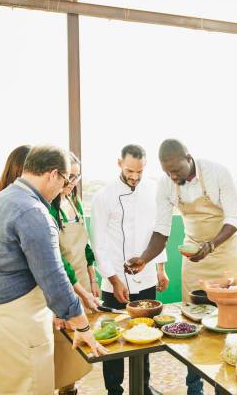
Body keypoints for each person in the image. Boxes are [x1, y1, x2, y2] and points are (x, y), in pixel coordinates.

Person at [0, 145, 105, 394]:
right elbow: (54, 277)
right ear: (53, 174)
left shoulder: (3, 199)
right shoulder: (33, 211)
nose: (63, 188)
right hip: (18, 327)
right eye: (64, 179)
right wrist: (83, 327)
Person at [125, 139, 237, 395]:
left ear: (188, 158)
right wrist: (145, 258)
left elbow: (235, 218)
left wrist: (210, 247)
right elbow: (161, 230)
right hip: (193, 258)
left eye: (176, 170)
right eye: (167, 171)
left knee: (228, 321)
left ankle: (224, 388)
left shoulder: (217, 172)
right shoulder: (166, 184)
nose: (172, 176)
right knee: (193, 323)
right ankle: (194, 388)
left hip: (224, 253)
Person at [90, 144, 168, 395]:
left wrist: (160, 269)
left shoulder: (154, 191)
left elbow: (158, 233)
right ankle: (115, 390)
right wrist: (113, 279)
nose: (134, 176)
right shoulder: (103, 197)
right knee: (113, 340)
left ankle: (143, 387)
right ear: (119, 163)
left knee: (144, 334)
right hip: (113, 280)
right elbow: (98, 244)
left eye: (139, 171)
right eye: (129, 170)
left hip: (144, 278)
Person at [49, 152, 102, 395]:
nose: (72, 182)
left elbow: (86, 246)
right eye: (68, 176)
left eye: (76, 176)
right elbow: (57, 258)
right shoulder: (49, 208)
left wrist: (93, 280)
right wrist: (76, 288)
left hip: (82, 281)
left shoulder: (75, 201)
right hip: (63, 284)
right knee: (63, 349)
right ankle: (66, 390)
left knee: (79, 348)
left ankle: (71, 388)